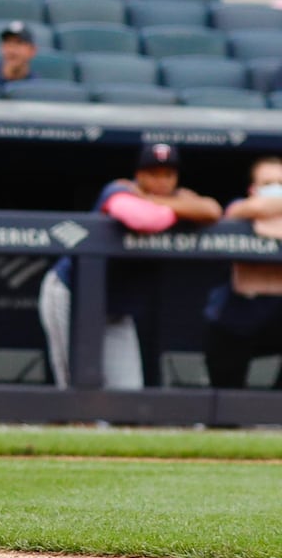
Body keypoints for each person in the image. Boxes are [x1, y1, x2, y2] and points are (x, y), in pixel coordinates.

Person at [39, 143, 221, 389]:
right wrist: (177, 208)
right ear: (138, 175)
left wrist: (156, 200)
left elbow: (212, 210)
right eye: (153, 173)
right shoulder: (117, 189)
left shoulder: (170, 197)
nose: (161, 181)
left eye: (168, 174)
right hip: (74, 293)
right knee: (76, 386)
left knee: (129, 391)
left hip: (116, 308)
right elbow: (142, 218)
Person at [203, 155, 282, 389]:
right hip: (238, 318)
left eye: (281, 182)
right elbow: (236, 211)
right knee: (226, 393)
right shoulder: (241, 207)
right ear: (253, 188)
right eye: (268, 184)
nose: (276, 188)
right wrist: (265, 208)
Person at [0, 19, 36, 88]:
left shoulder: (35, 84)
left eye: (19, 43)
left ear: (32, 50)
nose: (11, 50)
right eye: (7, 43)